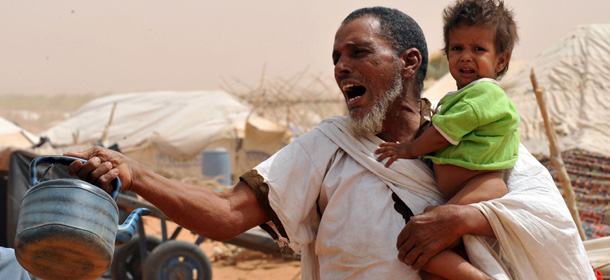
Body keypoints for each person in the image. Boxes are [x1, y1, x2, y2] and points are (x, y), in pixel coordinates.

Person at [65, 6, 595, 280]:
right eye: (336, 58)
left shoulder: (472, 137)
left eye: (358, 53)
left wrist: (464, 218)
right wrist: (134, 173)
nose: (341, 68)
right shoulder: (326, 149)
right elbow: (228, 212)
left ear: (409, 62)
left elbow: (542, 212)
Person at [374, 0, 519, 279]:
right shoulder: (463, 96)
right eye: (457, 48)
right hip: (464, 189)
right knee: (425, 257)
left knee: (423, 238)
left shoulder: (485, 94)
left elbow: (443, 134)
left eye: (478, 49)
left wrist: (408, 149)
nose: (466, 56)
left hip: (481, 185)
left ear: (501, 59)